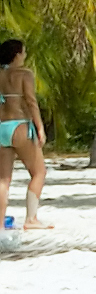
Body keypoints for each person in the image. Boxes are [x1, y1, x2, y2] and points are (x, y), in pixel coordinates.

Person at [0, 37, 47, 230]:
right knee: (39, 172)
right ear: (17, 54)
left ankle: (0, 224)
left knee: (3, 180)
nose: (25, 55)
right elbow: (31, 102)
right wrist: (40, 127)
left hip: (1, 127)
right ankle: (31, 219)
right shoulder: (24, 74)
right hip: (20, 126)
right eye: (24, 52)